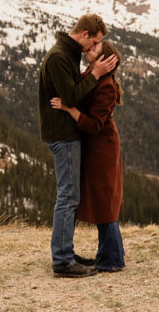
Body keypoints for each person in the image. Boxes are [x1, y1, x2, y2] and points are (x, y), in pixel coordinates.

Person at [38, 14, 118, 278]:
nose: (92, 48)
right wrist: (95, 73)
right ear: (84, 34)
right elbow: (70, 96)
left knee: (70, 195)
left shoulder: (68, 53)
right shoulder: (61, 56)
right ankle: (62, 260)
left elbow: (75, 92)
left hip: (68, 133)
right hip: (64, 134)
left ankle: (67, 253)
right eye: (94, 42)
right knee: (68, 196)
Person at [51, 40, 125, 273]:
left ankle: (112, 258)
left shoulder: (106, 86)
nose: (88, 50)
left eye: (95, 49)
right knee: (102, 200)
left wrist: (69, 109)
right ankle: (108, 255)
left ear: (104, 60)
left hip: (102, 149)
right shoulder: (93, 75)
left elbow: (93, 125)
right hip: (94, 147)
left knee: (104, 201)